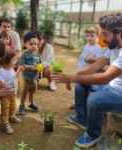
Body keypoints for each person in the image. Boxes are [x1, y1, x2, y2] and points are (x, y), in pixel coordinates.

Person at [51, 12, 122, 148]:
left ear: (119, 33)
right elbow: (96, 66)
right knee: (81, 83)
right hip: (112, 87)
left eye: (105, 34)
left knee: (95, 100)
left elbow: (105, 77)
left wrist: (72, 77)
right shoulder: (112, 47)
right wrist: (74, 77)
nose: (102, 38)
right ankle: (82, 118)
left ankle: (93, 134)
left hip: (119, 94)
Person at [69, 25, 105, 109]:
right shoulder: (86, 45)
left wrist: (92, 58)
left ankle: (85, 104)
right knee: (78, 89)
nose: (89, 38)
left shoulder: (98, 48)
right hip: (81, 69)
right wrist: (81, 57)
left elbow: (100, 60)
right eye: (87, 36)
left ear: (97, 36)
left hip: (88, 72)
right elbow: (83, 54)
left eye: (92, 35)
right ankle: (77, 102)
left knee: (86, 89)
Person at [0, 49, 23, 134]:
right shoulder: (2, 71)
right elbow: (0, 82)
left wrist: (19, 70)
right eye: (14, 60)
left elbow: (14, 77)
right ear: (6, 61)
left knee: (13, 106)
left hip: (13, 93)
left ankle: (11, 117)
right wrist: (2, 84)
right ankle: (5, 123)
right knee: (5, 109)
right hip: (5, 95)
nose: (16, 61)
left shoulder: (11, 69)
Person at [18, 32, 40, 115]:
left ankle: (31, 103)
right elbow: (21, 65)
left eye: (35, 44)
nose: (34, 46)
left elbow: (39, 63)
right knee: (24, 93)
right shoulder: (24, 55)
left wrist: (39, 68)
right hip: (26, 78)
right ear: (25, 44)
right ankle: (22, 105)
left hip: (34, 79)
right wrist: (31, 67)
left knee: (32, 92)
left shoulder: (37, 54)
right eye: (31, 44)